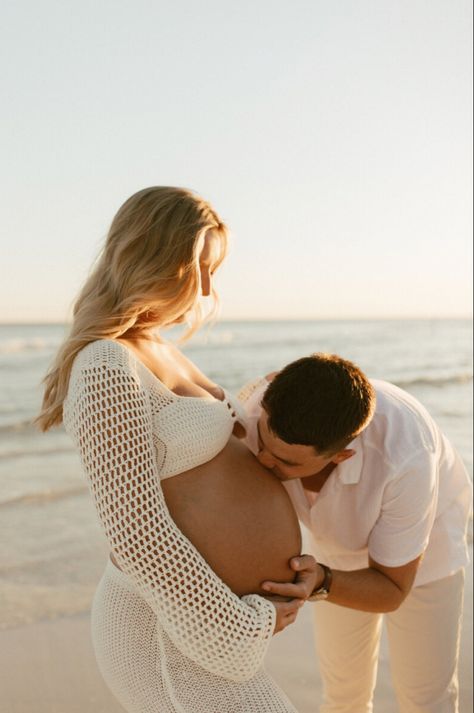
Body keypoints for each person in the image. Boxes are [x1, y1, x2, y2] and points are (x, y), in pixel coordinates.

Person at [37, 187, 316, 713]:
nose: (209, 288)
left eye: (216, 270)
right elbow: (135, 531)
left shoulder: (160, 349)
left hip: (194, 627)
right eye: (198, 269)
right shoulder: (105, 365)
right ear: (150, 256)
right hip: (162, 634)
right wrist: (243, 624)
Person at [239, 353, 472, 713]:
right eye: (265, 446)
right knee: (343, 694)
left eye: (287, 462)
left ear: (341, 456)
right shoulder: (257, 411)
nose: (265, 462)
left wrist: (320, 580)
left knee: (426, 698)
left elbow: (392, 589)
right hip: (334, 549)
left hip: (424, 550)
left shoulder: (406, 456)